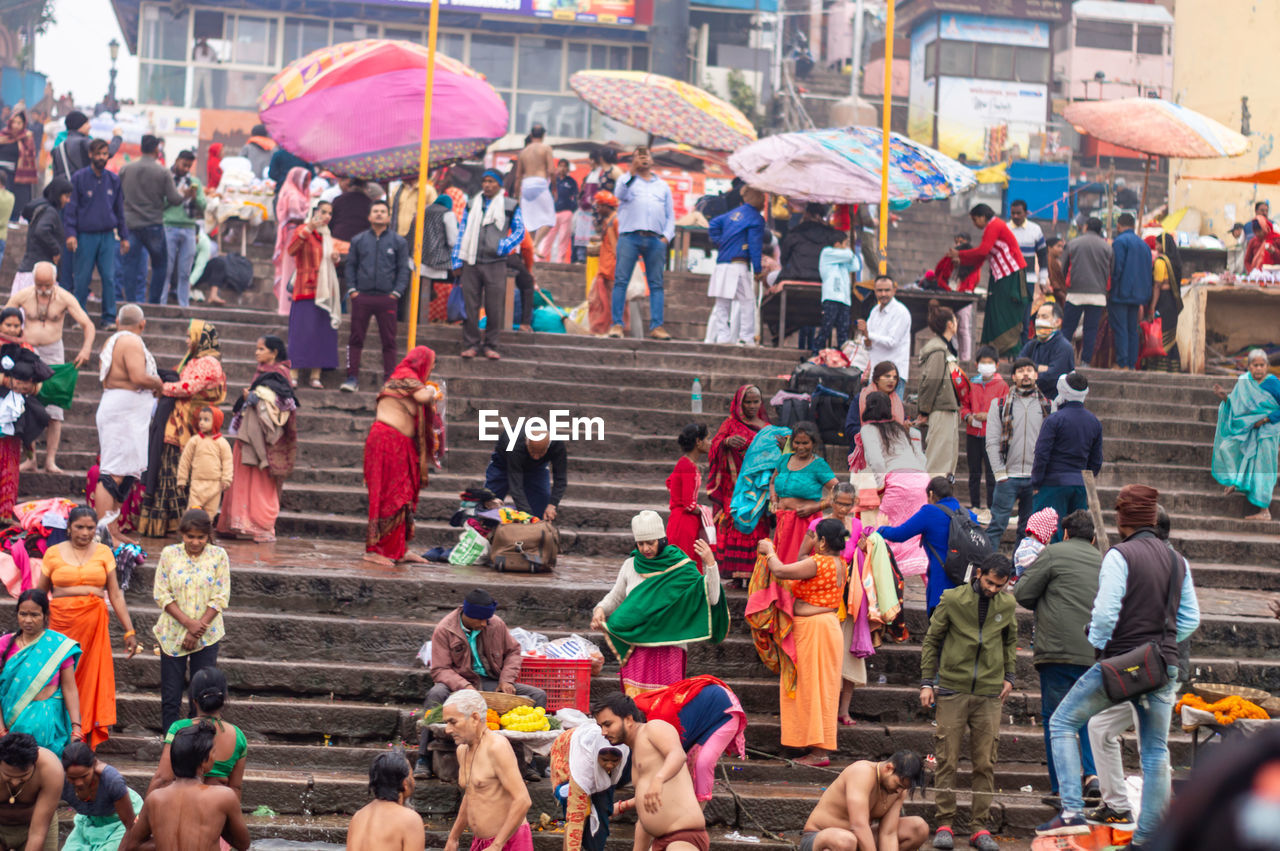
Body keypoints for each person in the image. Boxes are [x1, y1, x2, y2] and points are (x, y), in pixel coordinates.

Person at [1037, 484, 1200, 844]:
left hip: (1124, 663)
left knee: (1063, 721)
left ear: (1122, 520)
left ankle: (1071, 811)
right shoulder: (1178, 560)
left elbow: (1106, 615)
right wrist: (1160, 641)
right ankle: (1149, 836)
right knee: (1156, 750)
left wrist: (1099, 643)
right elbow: (1191, 619)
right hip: (1163, 665)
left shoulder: (1119, 555)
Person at [920, 553, 1016, 851]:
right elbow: (932, 639)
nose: (993, 590)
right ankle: (945, 823)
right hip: (952, 688)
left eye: (1000, 586)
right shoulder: (951, 599)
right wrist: (927, 682)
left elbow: (1010, 640)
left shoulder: (1008, 604)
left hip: (989, 692)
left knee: (985, 762)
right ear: (978, 574)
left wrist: (1010, 676)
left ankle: (979, 827)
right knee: (946, 758)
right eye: (989, 582)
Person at [1013, 509, 1101, 809]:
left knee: (1055, 718)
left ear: (1064, 533)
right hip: (1093, 652)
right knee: (1087, 715)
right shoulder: (1103, 560)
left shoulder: (1052, 554)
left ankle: (1062, 788)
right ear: (1092, 538)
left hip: (1057, 651)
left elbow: (1022, 593)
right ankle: (1092, 777)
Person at [593, 512, 727, 695]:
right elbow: (616, 597)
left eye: (651, 543)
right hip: (637, 645)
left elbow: (711, 597)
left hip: (669, 647)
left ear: (662, 540)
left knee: (666, 702)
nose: (646, 548)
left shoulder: (681, 567)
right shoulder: (630, 565)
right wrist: (600, 609)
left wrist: (710, 564)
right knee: (635, 704)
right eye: (641, 544)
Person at [37, 505, 138, 747]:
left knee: (90, 680)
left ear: (97, 529)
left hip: (93, 628)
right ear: (69, 528)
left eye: (90, 528)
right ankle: (58, 734)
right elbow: (39, 595)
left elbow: (115, 594)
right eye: (79, 527)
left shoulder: (104, 552)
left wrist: (130, 630)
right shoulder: (52, 553)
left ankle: (83, 737)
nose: (85, 532)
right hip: (60, 627)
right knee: (60, 679)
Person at [754, 519, 849, 766]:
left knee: (811, 687)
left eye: (816, 537)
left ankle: (819, 753)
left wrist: (769, 551)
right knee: (821, 688)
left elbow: (781, 571)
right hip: (827, 628)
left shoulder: (817, 563)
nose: (813, 540)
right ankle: (819, 748)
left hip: (815, 630)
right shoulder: (841, 562)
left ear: (824, 542)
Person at [137, 320, 227, 539]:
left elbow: (188, 387)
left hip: (185, 426)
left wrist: (161, 387)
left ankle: (184, 526)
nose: (187, 341)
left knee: (175, 472)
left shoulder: (208, 362)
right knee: (167, 470)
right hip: (176, 423)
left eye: (190, 336)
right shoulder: (194, 360)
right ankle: (170, 524)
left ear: (200, 339)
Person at [5, 261, 93, 473]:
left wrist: (86, 349)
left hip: (54, 352)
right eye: (39, 285)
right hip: (28, 351)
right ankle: (31, 458)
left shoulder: (64, 297)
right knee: (24, 403)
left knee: (55, 408)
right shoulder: (24, 295)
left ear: (54, 281)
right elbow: (6, 317)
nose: (43, 289)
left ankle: (50, 460)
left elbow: (87, 324)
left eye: (47, 285)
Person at [594, 692, 709, 851]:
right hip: (658, 840)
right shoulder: (634, 752)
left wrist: (659, 779)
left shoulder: (653, 728)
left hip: (683, 837)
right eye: (601, 727)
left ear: (628, 719)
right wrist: (621, 806)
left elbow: (677, 754)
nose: (603, 732)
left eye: (608, 724)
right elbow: (648, 800)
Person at [153, 510, 230, 731]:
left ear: (208, 536)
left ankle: (198, 739)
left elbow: (221, 596)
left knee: (203, 693)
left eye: (201, 537)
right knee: (171, 693)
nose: (195, 542)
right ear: (182, 534)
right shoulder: (169, 554)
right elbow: (162, 593)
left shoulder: (218, 556)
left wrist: (197, 629)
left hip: (207, 634)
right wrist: (189, 624)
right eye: (190, 537)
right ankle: (170, 742)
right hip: (172, 632)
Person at [363, 347, 440, 564]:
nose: (431, 369)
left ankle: (398, 549)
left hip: (403, 445)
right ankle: (375, 551)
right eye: (431, 365)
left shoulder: (411, 379)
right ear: (421, 362)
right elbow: (424, 396)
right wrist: (435, 392)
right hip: (387, 442)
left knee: (404, 497)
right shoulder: (404, 375)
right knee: (388, 496)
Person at [123, 721, 250, 851]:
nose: (215, 756)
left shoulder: (155, 799)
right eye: (214, 752)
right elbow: (243, 844)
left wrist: (164, 841)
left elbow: (133, 846)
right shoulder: (224, 796)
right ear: (204, 761)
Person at [94, 304, 162, 542]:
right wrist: (160, 384)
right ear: (142, 325)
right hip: (121, 414)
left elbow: (117, 380)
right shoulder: (131, 341)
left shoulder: (112, 341)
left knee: (124, 473)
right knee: (113, 473)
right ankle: (104, 531)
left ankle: (112, 530)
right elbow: (137, 377)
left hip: (122, 411)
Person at [220, 335, 297, 543]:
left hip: (266, 438)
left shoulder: (280, 374)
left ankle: (261, 525)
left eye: (261, 349)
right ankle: (241, 523)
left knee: (262, 481)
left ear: (274, 353)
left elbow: (286, 402)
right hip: (250, 432)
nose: (257, 352)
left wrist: (258, 397)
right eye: (257, 348)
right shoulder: (262, 372)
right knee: (244, 476)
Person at [442, 689, 534, 851]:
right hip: (482, 843)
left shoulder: (496, 747)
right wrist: (453, 837)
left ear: (475, 718)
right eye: (446, 723)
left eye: (453, 722)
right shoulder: (462, 750)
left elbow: (523, 800)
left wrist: (497, 845)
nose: (447, 730)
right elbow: (471, 795)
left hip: (508, 842)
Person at [632, 676, 746, 806]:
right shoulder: (641, 714)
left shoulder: (659, 725)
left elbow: (674, 758)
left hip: (725, 710)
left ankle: (698, 815)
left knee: (702, 763)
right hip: (701, 713)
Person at [858, 389, 929, 585]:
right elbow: (921, 458)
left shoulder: (868, 429)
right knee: (917, 535)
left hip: (897, 481)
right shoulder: (901, 429)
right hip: (921, 480)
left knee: (885, 533)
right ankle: (934, 593)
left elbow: (876, 461)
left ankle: (888, 593)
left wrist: (880, 488)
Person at [453, 170, 524, 360]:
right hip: (471, 260)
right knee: (470, 307)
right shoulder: (471, 204)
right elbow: (462, 231)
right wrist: (456, 259)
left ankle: (491, 345)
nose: (487, 185)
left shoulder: (510, 205)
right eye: (484, 181)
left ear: (499, 185)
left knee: (494, 307)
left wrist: (504, 245)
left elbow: (519, 231)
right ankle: (471, 344)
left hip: (496, 262)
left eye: (491, 181)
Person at [0, 589, 81, 754]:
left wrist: (76, 726)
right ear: (17, 614)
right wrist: (1, 730)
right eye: (23, 614)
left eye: (35, 615)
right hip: (10, 724)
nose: (28, 620)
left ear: (45, 615)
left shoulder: (59, 646)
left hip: (48, 725)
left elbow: (70, 689)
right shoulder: (4, 644)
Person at [798, 752, 929, 851]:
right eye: (899, 785)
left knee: (918, 827)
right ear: (888, 768)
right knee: (846, 840)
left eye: (904, 788)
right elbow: (858, 825)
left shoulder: (898, 791)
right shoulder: (862, 772)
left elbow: (888, 833)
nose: (899, 791)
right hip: (821, 838)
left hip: (859, 842)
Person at [148, 667, 247, 799]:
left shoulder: (178, 728)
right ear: (224, 698)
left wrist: (143, 814)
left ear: (194, 700)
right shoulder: (238, 736)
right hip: (217, 812)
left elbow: (163, 778)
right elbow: (235, 788)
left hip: (182, 808)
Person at [341, 200, 410, 389]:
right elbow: (351, 267)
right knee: (355, 338)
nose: (379, 214)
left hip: (387, 298)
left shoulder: (398, 241)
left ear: (388, 217)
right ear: (369, 217)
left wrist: (397, 292)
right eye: (375, 211)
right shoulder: (359, 240)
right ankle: (351, 378)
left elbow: (404, 269)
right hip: (362, 297)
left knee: (389, 340)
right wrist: (353, 290)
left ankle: (389, 379)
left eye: (383, 211)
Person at [878, 476, 971, 615]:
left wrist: (882, 528)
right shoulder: (968, 514)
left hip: (941, 579)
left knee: (937, 625)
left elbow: (900, 535)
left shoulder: (930, 512)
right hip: (964, 580)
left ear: (931, 494)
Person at [609, 146, 674, 340]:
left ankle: (657, 326)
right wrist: (632, 171)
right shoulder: (626, 180)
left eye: (646, 156)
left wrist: (665, 238)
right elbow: (620, 194)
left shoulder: (662, 186)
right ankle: (617, 324)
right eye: (639, 156)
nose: (644, 159)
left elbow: (670, 215)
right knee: (621, 281)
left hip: (655, 239)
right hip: (630, 236)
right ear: (633, 160)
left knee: (656, 284)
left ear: (652, 161)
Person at [707, 385, 772, 580]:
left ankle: (755, 573)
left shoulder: (766, 428)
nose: (752, 406)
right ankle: (735, 574)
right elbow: (713, 448)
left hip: (757, 488)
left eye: (756, 401)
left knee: (756, 525)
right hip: (733, 486)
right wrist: (726, 443)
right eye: (748, 401)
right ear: (739, 403)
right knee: (735, 522)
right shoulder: (729, 424)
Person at [984, 358, 1050, 549]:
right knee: (996, 526)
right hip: (1008, 477)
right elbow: (992, 442)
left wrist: (1042, 475)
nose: (1026, 374)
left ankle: (1018, 573)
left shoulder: (1047, 406)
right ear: (1013, 377)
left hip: (1034, 478)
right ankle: (989, 569)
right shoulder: (999, 404)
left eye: (1030, 370)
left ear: (1036, 375)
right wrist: (1000, 473)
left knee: (1027, 530)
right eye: (1020, 371)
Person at [65, 138, 129, 329]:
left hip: (108, 236)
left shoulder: (113, 179)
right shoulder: (79, 178)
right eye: (98, 154)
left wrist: (124, 236)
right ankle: (79, 318)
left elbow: (119, 210)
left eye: (105, 154)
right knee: (82, 277)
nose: (102, 157)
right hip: (85, 235)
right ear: (90, 155)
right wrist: (70, 234)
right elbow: (71, 209)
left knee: (109, 277)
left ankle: (109, 318)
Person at [1212, 348, 1280, 521]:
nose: (1258, 368)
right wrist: (1224, 398)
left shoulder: (1273, 383)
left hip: (1268, 432)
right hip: (1248, 431)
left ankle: (1264, 510)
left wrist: (1265, 420)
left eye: (1262, 365)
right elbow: (1236, 407)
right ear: (1248, 367)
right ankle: (1238, 481)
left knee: (1263, 468)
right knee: (1226, 448)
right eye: (1255, 365)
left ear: (1267, 366)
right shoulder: (1243, 382)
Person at [1031, 372, 1103, 535]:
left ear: (1063, 391)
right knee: (1077, 534)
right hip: (1079, 485)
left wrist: (1036, 481)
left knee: (1048, 534)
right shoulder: (1094, 422)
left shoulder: (1054, 420)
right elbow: (1096, 461)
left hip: (1053, 484)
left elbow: (1042, 454)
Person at [119, 134, 186, 304]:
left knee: (129, 266)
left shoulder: (126, 169)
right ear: (157, 149)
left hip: (131, 224)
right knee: (160, 265)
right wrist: (185, 194)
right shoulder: (162, 171)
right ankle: (154, 301)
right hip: (153, 224)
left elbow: (117, 197)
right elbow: (174, 199)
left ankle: (131, 302)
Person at [958, 204, 1028, 358]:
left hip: (1010, 274)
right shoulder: (992, 227)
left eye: (975, 220)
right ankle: (994, 351)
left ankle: (1010, 352)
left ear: (983, 216)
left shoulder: (994, 225)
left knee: (1005, 313)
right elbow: (983, 255)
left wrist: (961, 255)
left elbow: (983, 250)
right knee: (995, 312)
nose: (975, 224)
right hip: (999, 276)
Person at [549, 722, 628, 851]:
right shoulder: (583, 763)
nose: (609, 766)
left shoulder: (625, 751)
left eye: (614, 761)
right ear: (596, 755)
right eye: (605, 760)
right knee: (577, 810)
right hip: (567, 752)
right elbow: (575, 818)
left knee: (602, 811)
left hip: (590, 754)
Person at [287, 200, 341, 388]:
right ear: (314, 212)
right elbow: (292, 250)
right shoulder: (304, 230)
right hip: (305, 289)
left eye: (329, 213)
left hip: (325, 291)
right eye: (323, 212)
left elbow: (327, 262)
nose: (326, 216)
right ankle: (294, 373)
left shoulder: (327, 236)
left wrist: (335, 258)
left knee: (321, 333)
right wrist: (308, 228)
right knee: (301, 332)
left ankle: (315, 375)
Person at [704, 187, 766, 346]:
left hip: (722, 264)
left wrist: (720, 242)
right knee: (747, 302)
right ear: (757, 198)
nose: (765, 203)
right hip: (738, 266)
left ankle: (723, 337)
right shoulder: (756, 219)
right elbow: (755, 245)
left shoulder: (732, 214)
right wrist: (757, 269)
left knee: (722, 303)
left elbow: (713, 224)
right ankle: (746, 337)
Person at [769, 422, 838, 562]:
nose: (800, 447)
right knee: (781, 563)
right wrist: (774, 501)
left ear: (813, 443)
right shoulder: (783, 460)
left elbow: (841, 492)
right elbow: (772, 482)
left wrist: (816, 507)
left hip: (804, 523)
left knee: (797, 564)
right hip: (783, 521)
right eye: (797, 442)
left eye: (805, 443)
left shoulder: (818, 465)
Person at [60, 741, 141, 851]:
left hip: (121, 821)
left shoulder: (112, 781)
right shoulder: (60, 781)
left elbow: (130, 826)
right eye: (72, 778)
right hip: (91, 820)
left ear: (94, 765)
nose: (79, 783)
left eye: (84, 776)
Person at [347, 751, 425, 851]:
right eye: (411, 775)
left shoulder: (358, 817)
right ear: (405, 783)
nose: (414, 781)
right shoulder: (409, 820)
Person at [916, 304, 960, 479]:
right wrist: (924, 410)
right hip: (941, 409)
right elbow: (931, 382)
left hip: (948, 408)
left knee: (947, 459)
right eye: (955, 320)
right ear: (950, 324)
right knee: (938, 460)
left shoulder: (944, 347)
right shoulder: (938, 349)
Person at [962, 346, 1007, 517]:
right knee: (974, 471)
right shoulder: (972, 383)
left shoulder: (1002, 385)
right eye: (983, 362)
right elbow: (964, 405)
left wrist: (989, 416)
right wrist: (968, 417)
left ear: (996, 365)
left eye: (990, 363)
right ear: (976, 364)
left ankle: (990, 506)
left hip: (992, 436)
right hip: (973, 433)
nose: (986, 365)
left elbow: (1006, 409)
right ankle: (975, 505)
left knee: (990, 474)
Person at [1061, 217, 1112, 366]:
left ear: (1086, 227)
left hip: (1075, 293)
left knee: (1067, 329)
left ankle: (1062, 359)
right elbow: (1111, 270)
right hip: (1098, 295)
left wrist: (1067, 286)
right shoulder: (1107, 247)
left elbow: (1064, 267)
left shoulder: (1073, 244)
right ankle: (1086, 361)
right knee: (1091, 330)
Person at [0, 733, 63, 851]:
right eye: (8, 776)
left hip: (36, 825)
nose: (15, 782)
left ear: (34, 763)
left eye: (23, 776)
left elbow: (37, 834)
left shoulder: (51, 770)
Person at [485, 433, 567, 522]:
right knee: (490, 499)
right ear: (526, 442)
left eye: (540, 453)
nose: (536, 457)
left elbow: (560, 478)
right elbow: (516, 486)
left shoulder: (557, 445)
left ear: (548, 446)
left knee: (542, 500)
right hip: (504, 462)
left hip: (537, 467)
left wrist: (552, 504)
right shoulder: (514, 443)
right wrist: (527, 516)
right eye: (533, 451)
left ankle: (535, 531)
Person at [161, 149, 206, 306]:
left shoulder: (194, 182)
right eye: (184, 165)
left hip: (189, 227)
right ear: (177, 160)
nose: (186, 169)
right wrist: (179, 196)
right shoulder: (167, 179)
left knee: (185, 271)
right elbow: (160, 204)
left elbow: (203, 205)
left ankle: (183, 304)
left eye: (189, 166)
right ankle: (162, 302)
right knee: (166, 268)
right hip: (169, 226)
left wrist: (193, 197)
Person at [1109, 213, 1154, 370]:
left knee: (1121, 329)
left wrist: (1111, 288)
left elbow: (1117, 268)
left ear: (1119, 226)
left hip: (1121, 293)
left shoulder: (1120, 242)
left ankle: (1123, 363)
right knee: (1132, 329)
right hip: (1138, 295)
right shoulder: (1144, 246)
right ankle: (1131, 363)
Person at [13, 177, 71, 293]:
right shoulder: (50, 212)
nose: (68, 200)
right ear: (58, 195)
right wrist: (56, 250)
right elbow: (42, 230)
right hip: (39, 275)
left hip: (28, 271)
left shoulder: (42, 208)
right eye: (66, 196)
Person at [857, 277, 912, 394]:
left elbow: (892, 342)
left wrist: (868, 334)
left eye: (887, 290)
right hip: (875, 374)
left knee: (892, 411)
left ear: (894, 290)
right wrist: (866, 337)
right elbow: (868, 345)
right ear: (875, 291)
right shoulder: (874, 311)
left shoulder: (901, 312)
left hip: (893, 375)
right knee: (871, 411)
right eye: (879, 290)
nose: (883, 294)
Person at [273, 165, 313, 316]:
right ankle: (286, 307)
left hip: (297, 232)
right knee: (290, 269)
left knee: (293, 268)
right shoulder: (292, 193)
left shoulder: (294, 192)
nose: (305, 184)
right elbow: (295, 213)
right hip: (293, 233)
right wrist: (309, 212)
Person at [176, 407, 232, 514]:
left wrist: (226, 479)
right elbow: (185, 460)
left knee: (210, 511)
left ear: (216, 422)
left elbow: (227, 462)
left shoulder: (222, 443)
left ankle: (205, 528)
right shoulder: (195, 441)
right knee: (194, 510)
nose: (201, 423)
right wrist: (182, 478)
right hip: (197, 484)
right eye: (200, 419)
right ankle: (192, 529)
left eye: (206, 420)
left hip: (215, 485)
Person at [666, 424, 709, 559]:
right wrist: (705, 511)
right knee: (685, 565)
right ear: (698, 442)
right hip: (684, 524)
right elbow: (689, 505)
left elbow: (670, 483)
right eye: (707, 439)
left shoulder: (683, 462)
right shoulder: (688, 466)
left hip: (678, 520)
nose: (710, 443)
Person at [1145, 231, 1184, 371]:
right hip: (1173, 302)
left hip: (1163, 300)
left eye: (1158, 243)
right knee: (1171, 335)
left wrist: (1152, 307)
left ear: (1164, 245)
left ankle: (1159, 366)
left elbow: (1157, 286)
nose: (1156, 246)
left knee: (1160, 334)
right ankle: (1172, 366)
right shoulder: (1176, 261)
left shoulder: (1161, 262)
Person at [515, 124, 557, 250]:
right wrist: (554, 189)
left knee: (529, 221)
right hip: (540, 183)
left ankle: (529, 249)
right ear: (544, 135)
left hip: (526, 185)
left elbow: (518, 176)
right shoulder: (546, 148)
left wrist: (517, 195)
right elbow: (551, 171)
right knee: (550, 219)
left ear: (531, 135)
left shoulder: (523, 152)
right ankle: (535, 244)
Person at [1020, 302, 1074, 399]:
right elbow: (1017, 366)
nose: (1039, 320)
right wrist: (1039, 367)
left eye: (1044, 317)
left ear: (1057, 322)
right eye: (1038, 317)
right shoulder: (1032, 345)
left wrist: (1029, 369)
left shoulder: (1064, 347)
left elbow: (1052, 377)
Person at [814, 236, 859, 354]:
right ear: (837, 244)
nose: (846, 247)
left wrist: (849, 251)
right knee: (826, 327)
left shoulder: (842, 261)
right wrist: (849, 250)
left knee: (843, 330)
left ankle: (842, 355)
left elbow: (856, 266)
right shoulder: (826, 253)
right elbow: (849, 255)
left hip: (844, 299)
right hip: (831, 297)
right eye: (845, 243)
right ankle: (816, 351)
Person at [845, 362, 907, 447]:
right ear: (877, 379)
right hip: (864, 449)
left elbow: (903, 424)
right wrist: (877, 433)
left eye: (895, 377)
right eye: (887, 376)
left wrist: (907, 426)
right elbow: (850, 428)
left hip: (892, 451)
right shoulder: (861, 398)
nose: (892, 380)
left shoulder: (897, 403)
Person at [778, 203, 842, 283]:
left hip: (796, 277)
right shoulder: (831, 234)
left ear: (806, 214)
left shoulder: (795, 232)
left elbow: (784, 259)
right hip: (823, 278)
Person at [50, 111, 120, 180]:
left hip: (65, 189)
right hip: (82, 187)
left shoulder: (58, 146)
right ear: (79, 125)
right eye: (86, 123)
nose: (90, 126)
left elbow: (55, 173)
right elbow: (107, 153)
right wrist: (117, 136)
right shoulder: (84, 142)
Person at [586, 190, 620, 335]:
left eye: (600, 206)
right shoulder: (610, 220)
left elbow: (616, 248)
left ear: (607, 206)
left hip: (610, 269)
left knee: (607, 304)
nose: (598, 210)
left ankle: (606, 328)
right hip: (606, 268)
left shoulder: (615, 221)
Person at [537, 157, 577, 263]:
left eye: (565, 166)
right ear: (557, 167)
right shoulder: (553, 181)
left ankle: (560, 260)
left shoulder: (571, 182)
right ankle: (542, 258)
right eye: (561, 166)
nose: (563, 168)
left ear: (568, 169)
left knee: (564, 237)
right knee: (549, 236)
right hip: (553, 213)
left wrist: (571, 208)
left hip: (566, 213)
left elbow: (576, 197)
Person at [0, 111, 36, 223]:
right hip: (1, 177)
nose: (16, 125)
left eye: (19, 123)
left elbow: (30, 157)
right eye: (14, 122)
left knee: (15, 206)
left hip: (17, 177)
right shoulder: (3, 135)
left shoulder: (27, 138)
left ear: (24, 124)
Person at [1011, 506, 1057, 577]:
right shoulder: (1028, 546)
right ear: (1043, 532)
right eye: (1050, 535)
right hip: (1027, 582)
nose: (1050, 538)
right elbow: (1029, 565)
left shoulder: (1038, 545)